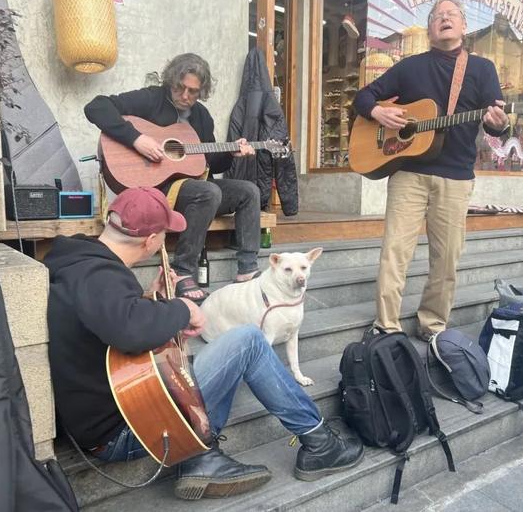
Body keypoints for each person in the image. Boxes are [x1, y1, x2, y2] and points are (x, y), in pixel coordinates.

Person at [43, 187, 363, 501]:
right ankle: (320, 444)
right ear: (151, 240)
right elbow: (130, 331)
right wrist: (183, 309)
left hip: (124, 410)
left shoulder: (80, 262)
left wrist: (149, 299)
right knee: (248, 340)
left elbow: (107, 319)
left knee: (217, 357)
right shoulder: (99, 276)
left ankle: (199, 454)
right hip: (125, 430)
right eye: (165, 236)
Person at [353, 0, 509, 341]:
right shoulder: (409, 67)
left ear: (464, 26)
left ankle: (433, 324)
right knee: (395, 251)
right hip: (408, 172)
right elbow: (362, 97)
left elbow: (498, 125)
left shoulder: (482, 69)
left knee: (447, 257)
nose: (444, 18)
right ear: (429, 28)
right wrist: (377, 112)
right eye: (437, 15)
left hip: (455, 176)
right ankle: (387, 325)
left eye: (451, 14)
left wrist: (498, 123)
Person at [85, 53, 262, 304]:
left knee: (248, 191)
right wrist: (137, 139)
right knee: (208, 192)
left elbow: (210, 161)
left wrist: (232, 153)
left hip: (189, 188)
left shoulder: (201, 116)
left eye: (194, 91)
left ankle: (247, 268)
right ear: (171, 81)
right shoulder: (151, 99)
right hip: (156, 188)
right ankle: (182, 272)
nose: (186, 96)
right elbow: (96, 106)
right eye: (181, 88)